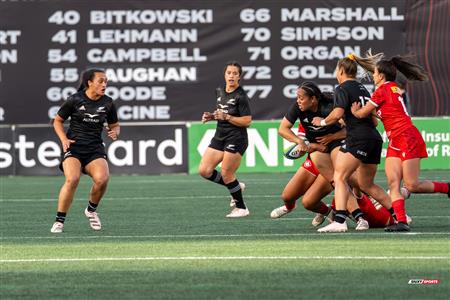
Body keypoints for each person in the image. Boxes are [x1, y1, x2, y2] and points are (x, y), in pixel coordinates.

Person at [349, 52, 450, 231]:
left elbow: (362, 114)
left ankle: (447, 188)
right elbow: (378, 115)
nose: (372, 76)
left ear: (381, 76)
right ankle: (401, 222)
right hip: (396, 139)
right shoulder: (391, 88)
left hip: (406, 136)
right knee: (393, 183)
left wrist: (355, 111)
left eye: (374, 73)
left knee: (411, 185)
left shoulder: (382, 90)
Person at [311, 54, 395, 233]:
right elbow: (374, 121)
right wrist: (348, 119)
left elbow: (337, 112)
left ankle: (340, 221)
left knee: (340, 177)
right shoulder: (363, 88)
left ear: (341, 71)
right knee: (367, 185)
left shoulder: (342, 88)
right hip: (374, 138)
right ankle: (399, 215)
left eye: (336, 70)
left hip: (357, 138)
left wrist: (322, 122)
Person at [50, 68, 120, 233]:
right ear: (89, 82)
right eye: (100, 81)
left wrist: (115, 132)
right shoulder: (75, 100)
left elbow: (115, 125)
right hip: (74, 146)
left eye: (106, 81)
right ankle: (59, 220)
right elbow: (57, 121)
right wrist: (64, 140)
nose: (104, 84)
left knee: (102, 179)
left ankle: (91, 210)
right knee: (72, 179)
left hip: (94, 147)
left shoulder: (108, 102)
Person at [198, 61, 252, 217]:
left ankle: (242, 208)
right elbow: (221, 112)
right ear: (225, 75)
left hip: (236, 138)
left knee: (227, 173)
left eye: (235, 73)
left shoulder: (241, 96)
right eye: (229, 73)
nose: (231, 76)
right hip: (220, 135)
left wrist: (227, 117)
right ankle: (236, 186)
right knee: (204, 170)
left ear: (239, 77)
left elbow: (247, 121)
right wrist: (211, 116)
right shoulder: (219, 91)